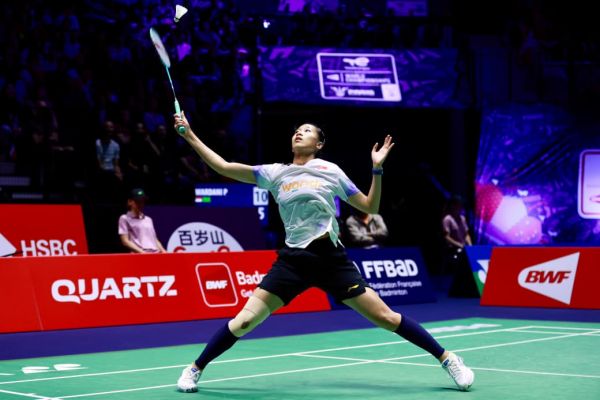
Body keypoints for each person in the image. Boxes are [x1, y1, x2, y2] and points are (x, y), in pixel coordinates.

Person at [173, 113, 474, 392]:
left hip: (331, 260)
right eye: (297, 131)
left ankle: (448, 358)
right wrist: (190, 136)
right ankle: (195, 368)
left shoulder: (330, 170)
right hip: (293, 261)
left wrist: (377, 168)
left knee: (386, 317)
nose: (298, 133)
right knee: (244, 322)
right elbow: (224, 167)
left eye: (307, 131)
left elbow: (370, 206)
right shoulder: (275, 173)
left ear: (319, 144)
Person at [118, 188, 167, 254]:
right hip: (139, 255)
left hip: (155, 254)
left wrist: (163, 251)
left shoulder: (148, 219)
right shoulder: (124, 218)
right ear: (130, 202)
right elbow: (125, 241)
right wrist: (142, 253)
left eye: (142, 201)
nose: (141, 204)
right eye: (137, 201)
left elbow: (154, 239)